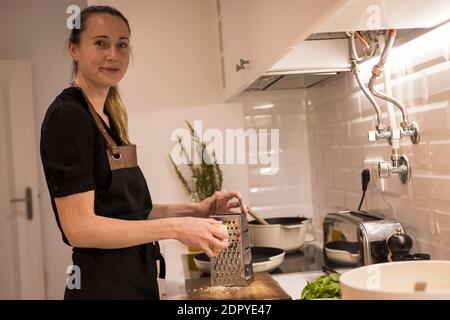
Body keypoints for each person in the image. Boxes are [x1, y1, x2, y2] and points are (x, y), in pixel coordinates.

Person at [40, 5, 245, 300]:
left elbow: (132, 212)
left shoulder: (108, 118)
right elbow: (79, 228)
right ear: (74, 49)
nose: (113, 54)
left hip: (136, 281)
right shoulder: (68, 117)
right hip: (104, 289)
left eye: (122, 44)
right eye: (100, 43)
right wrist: (176, 227)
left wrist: (195, 210)